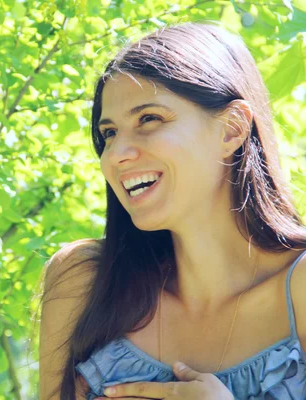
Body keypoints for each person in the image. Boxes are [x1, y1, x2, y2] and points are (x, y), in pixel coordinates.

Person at [38, 20, 306, 400]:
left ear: (231, 130)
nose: (116, 154)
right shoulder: (82, 282)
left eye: (149, 119)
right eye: (109, 132)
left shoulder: (300, 287)